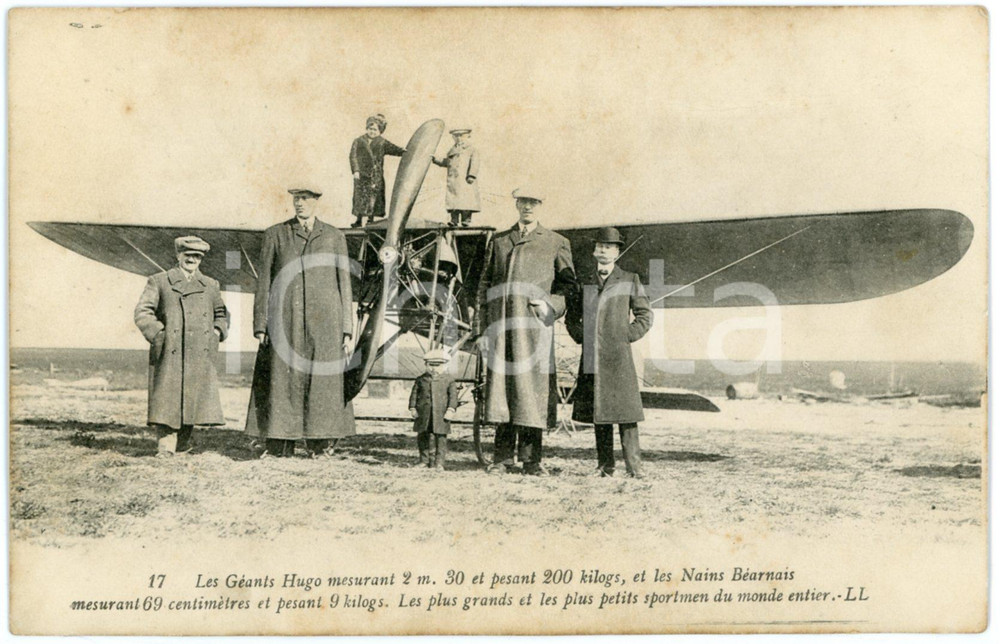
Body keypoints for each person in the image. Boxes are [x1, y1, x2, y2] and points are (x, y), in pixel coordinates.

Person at [246, 186, 356, 458]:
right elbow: (265, 283)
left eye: (305, 199)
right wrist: (261, 324)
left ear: (316, 202)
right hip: (285, 320)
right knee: (282, 381)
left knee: (322, 383)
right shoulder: (275, 234)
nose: (300, 204)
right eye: (296, 199)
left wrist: (346, 327)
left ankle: (320, 446)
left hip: (325, 323)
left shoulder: (334, 236)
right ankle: (279, 445)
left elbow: (344, 283)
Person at [478, 187, 576, 475]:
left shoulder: (556, 242)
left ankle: (532, 461)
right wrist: (483, 329)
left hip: (534, 329)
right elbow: (484, 286)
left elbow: (569, 286)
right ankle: (502, 459)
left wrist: (551, 306)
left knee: (531, 393)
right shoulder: (498, 241)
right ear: (516, 205)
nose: (527, 207)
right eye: (523, 202)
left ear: (541, 205)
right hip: (502, 329)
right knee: (504, 392)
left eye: (533, 202)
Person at [566, 227, 653, 478]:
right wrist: (581, 336)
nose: (603, 250)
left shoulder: (629, 280)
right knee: (599, 412)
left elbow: (645, 315)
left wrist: (627, 336)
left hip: (619, 358)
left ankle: (634, 468)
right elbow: (572, 317)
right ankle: (605, 467)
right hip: (592, 357)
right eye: (600, 246)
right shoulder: (584, 281)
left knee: (626, 414)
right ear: (594, 251)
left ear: (617, 252)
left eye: (609, 246)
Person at [134, 236, 229, 458]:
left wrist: (216, 332)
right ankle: (166, 447)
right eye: (188, 255)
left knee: (192, 399)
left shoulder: (210, 285)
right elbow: (142, 312)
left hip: (199, 352)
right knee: (168, 398)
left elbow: (221, 314)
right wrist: (159, 335)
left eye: (197, 256)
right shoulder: (159, 281)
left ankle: (183, 444)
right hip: (171, 351)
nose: (192, 260)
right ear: (178, 256)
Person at [349, 114, 406, 228]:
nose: (372, 132)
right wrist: (356, 170)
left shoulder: (382, 142)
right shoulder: (359, 141)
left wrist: (403, 151)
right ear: (367, 128)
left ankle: (371, 220)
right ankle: (359, 220)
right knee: (360, 198)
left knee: (373, 198)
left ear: (380, 131)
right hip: (362, 176)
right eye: (370, 129)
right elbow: (353, 156)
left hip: (376, 176)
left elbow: (394, 149)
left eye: (375, 129)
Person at [408, 348, 459, 471]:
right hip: (423, 414)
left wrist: (451, 409)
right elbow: (414, 394)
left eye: (437, 366)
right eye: (430, 365)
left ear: (445, 365)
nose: (433, 369)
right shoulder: (420, 379)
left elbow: (453, 397)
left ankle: (439, 463)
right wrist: (413, 408)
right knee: (423, 437)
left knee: (441, 439)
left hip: (441, 415)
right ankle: (424, 461)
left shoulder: (449, 380)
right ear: (426, 365)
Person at [432, 128, 480, 227]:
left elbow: (475, 162)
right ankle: (454, 220)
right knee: (453, 202)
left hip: (465, 180)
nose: (458, 138)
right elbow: (448, 162)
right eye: (456, 136)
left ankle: (466, 220)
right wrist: (436, 160)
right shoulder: (452, 150)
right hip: (453, 181)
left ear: (467, 136)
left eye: (461, 135)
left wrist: (471, 175)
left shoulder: (471, 149)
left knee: (466, 201)